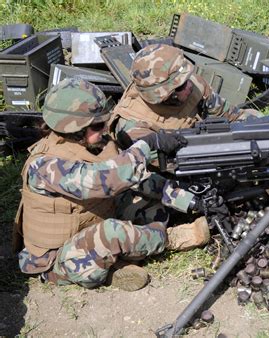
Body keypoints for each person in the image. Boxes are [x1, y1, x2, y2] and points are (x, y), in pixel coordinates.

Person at [13, 78, 210, 291]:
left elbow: (136, 179)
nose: (106, 129)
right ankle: (170, 239)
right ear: (74, 129)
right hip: (57, 257)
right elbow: (102, 180)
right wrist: (148, 145)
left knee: (151, 206)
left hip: (91, 225)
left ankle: (117, 258)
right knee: (112, 233)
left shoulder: (97, 143)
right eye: (98, 125)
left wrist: (189, 200)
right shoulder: (44, 166)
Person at [110, 44, 262, 146]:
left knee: (254, 119)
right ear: (165, 96)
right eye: (181, 85)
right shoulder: (132, 126)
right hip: (167, 179)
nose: (190, 85)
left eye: (187, 77)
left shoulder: (192, 84)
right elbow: (164, 167)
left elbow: (229, 114)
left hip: (204, 143)